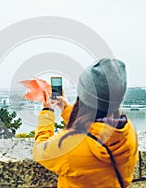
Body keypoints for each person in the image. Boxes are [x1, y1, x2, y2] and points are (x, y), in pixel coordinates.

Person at [33, 58, 138, 188]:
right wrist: (66, 109)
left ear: (82, 97)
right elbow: (94, 128)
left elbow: (40, 151)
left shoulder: (71, 147)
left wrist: (47, 111)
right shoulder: (127, 131)